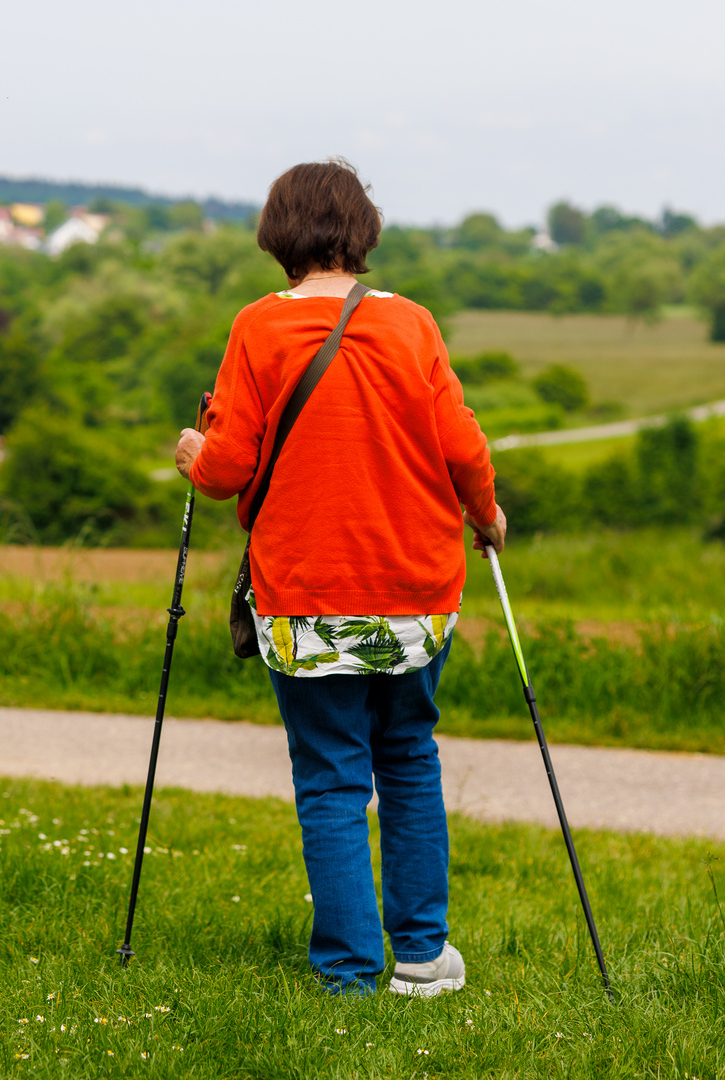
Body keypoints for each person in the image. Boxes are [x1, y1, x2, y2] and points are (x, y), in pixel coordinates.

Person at [175, 159, 505, 997]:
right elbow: (463, 445)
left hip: (307, 590)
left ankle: (351, 975)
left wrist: (192, 453)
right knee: (407, 759)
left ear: (276, 236)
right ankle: (424, 959)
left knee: (330, 775)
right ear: (363, 231)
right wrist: (487, 514)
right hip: (415, 583)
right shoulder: (412, 325)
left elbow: (225, 470)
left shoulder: (257, 327)